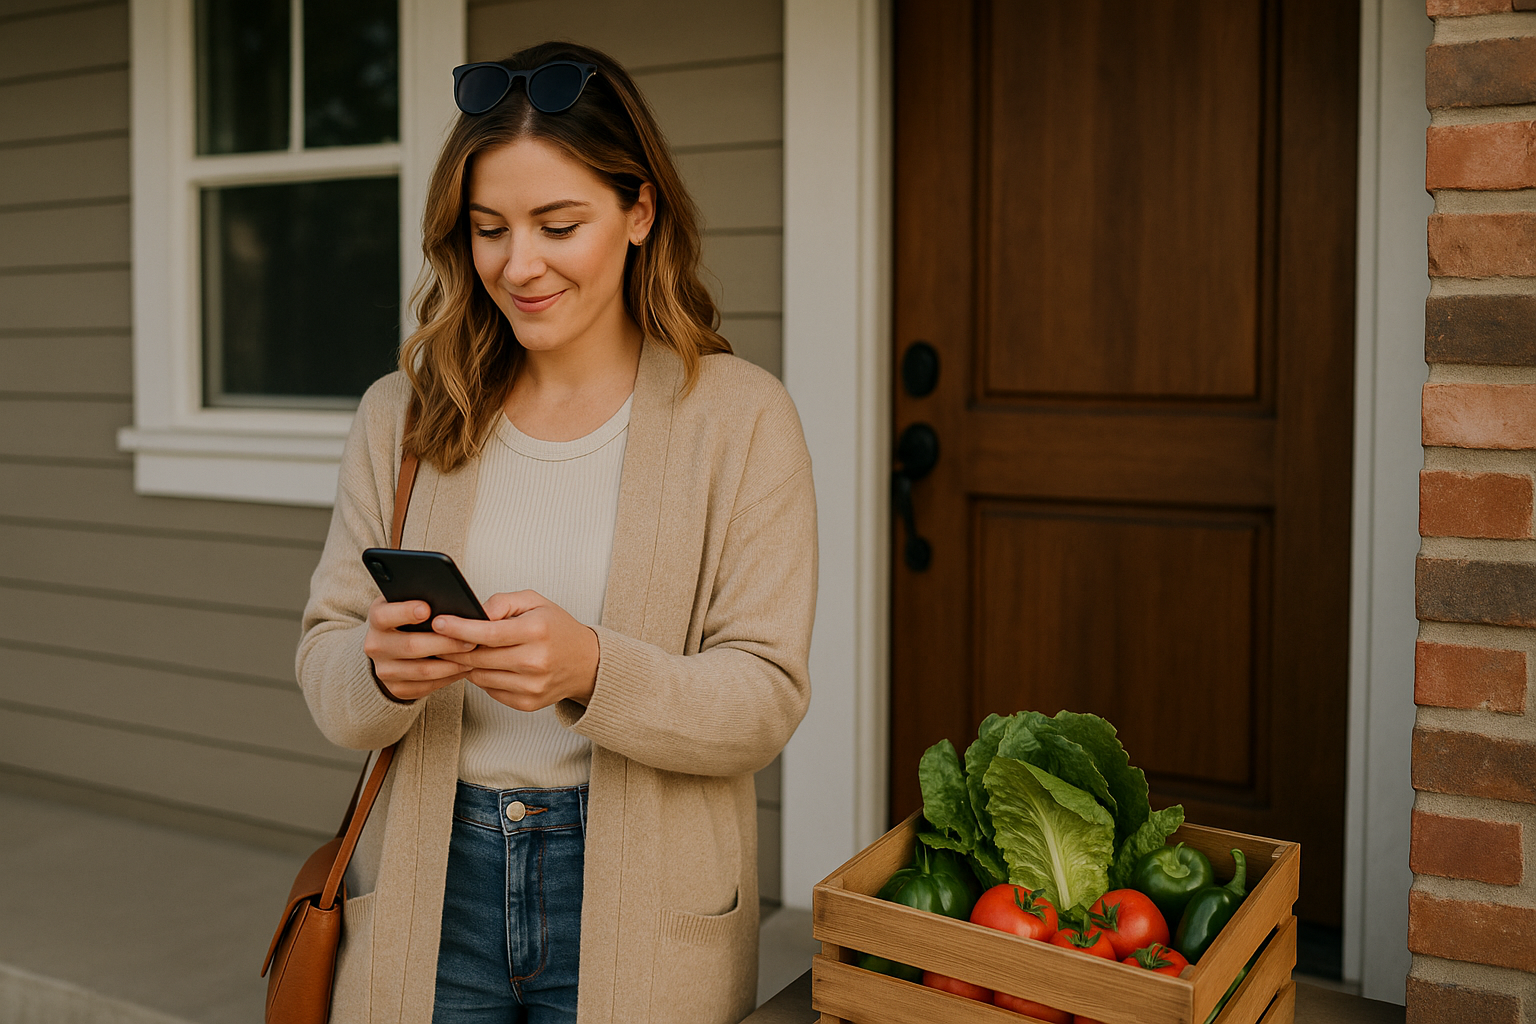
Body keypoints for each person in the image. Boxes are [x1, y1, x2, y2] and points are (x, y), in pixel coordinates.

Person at [296, 41, 816, 1024]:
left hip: (644, 904)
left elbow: (764, 700)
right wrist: (380, 672)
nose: (518, 264)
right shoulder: (401, 415)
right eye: (489, 229)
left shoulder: (740, 418)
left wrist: (592, 668)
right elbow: (327, 660)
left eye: (558, 225)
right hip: (427, 890)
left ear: (639, 211)